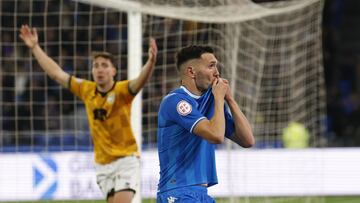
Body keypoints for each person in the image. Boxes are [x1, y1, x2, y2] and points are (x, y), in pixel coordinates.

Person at [19, 25, 157, 203]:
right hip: (102, 164)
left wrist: (151, 63)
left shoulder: (122, 90)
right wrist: (35, 48)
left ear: (113, 71)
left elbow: (140, 81)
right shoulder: (86, 89)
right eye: (96, 66)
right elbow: (56, 73)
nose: (100, 69)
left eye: (105, 65)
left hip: (126, 159)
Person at [157, 45, 255, 202]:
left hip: (201, 194)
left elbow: (248, 140)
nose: (217, 72)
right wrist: (218, 98)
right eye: (211, 66)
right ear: (191, 72)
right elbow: (216, 136)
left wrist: (229, 99)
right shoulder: (176, 101)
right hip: (178, 193)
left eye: (216, 65)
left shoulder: (212, 103)